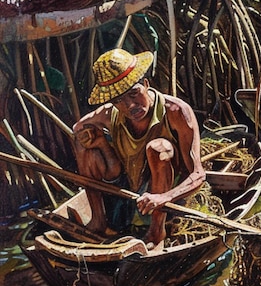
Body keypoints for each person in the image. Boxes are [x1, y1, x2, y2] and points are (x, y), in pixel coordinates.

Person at [72, 48, 205, 247]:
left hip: (169, 199)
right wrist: (97, 141)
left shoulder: (176, 112)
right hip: (129, 192)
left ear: (145, 84)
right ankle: (99, 219)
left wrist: (163, 198)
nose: (130, 105)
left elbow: (198, 175)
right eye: (119, 101)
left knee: (158, 148)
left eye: (134, 94)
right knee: (85, 144)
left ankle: (156, 232)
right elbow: (77, 128)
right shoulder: (110, 114)